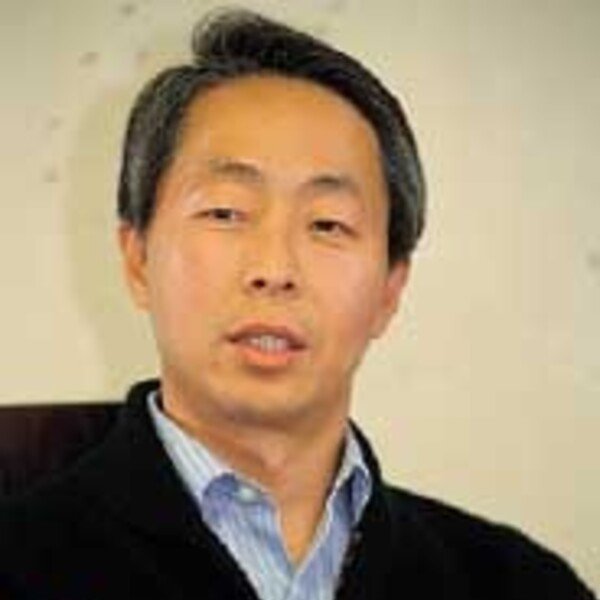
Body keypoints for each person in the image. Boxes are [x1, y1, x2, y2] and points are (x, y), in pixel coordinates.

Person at [0, 9, 595, 600]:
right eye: (226, 213)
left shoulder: (516, 585)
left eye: (328, 224)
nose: (274, 270)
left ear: (390, 289)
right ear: (137, 260)